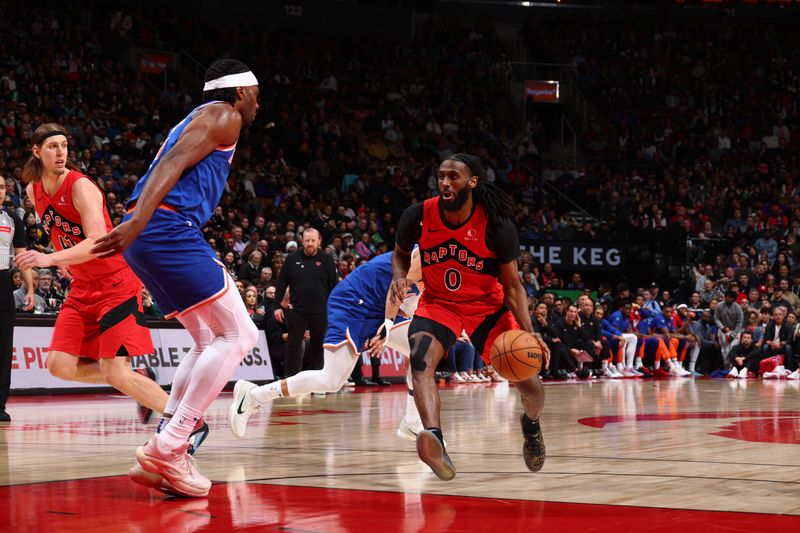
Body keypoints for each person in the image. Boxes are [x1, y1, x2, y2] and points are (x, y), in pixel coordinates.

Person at [91, 59, 261, 498]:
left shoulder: (199, 118)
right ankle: (172, 444)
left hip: (152, 233)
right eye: (257, 96)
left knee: (208, 339)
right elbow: (171, 165)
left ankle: (162, 443)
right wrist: (137, 220)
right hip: (165, 228)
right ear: (240, 93)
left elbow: (173, 163)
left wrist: (136, 224)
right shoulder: (224, 116)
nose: (259, 105)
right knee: (240, 335)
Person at [390, 153, 549, 481]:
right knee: (420, 363)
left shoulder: (496, 223)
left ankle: (531, 425)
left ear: (473, 182)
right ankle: (435, 437)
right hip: (438, 303)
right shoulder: (419, 214)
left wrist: (530, 331)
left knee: (532, 388)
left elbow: (513, 284)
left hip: (486, 307)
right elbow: (400, 254)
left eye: (453, 177)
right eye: (441, 176)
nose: (445, 182)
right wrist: (398, 277)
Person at [14, 123, 169, 430]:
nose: (61, 153)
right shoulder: (33, 189)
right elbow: (58, 229)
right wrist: (64, 259)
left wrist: (50, 258)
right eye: (52, 147)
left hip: (116, 283)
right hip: (82, 286)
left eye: (64, 146)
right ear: (37, 152)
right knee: (59, 366)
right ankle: (139, 379)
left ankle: (187, 422)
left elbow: (97, 242)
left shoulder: (81, 185)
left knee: (115, 373)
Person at [229, 250, 425, 440]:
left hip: (381, 306)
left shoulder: (447, 275)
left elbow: (411, 304)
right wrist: (388, 325)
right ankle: (253, 396)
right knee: (331, 380)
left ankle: (411, 420)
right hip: (355, 300)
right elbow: (396, 287)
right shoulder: (426, 256)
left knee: (420, 350)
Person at [273, 228, 338, 376]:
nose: (310, 244)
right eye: (307, 240)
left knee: (319, 348)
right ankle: (290, 382)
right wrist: (277, 306)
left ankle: (318, 383)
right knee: (293, 348)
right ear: (302, 241)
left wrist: (334, 310)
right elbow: (281, 283)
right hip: (297, 311)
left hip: (320, 312)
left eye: (313, 241)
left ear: (319, 241)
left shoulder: (327, 259)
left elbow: (334, 287)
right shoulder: (291, 259)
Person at [0, 176, 34, 421]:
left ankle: (0, 405)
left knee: (3, 347)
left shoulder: (13, 220)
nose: (0, 191)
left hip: (2, 283)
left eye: (2, 187)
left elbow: (22, 257)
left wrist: (30, 288)